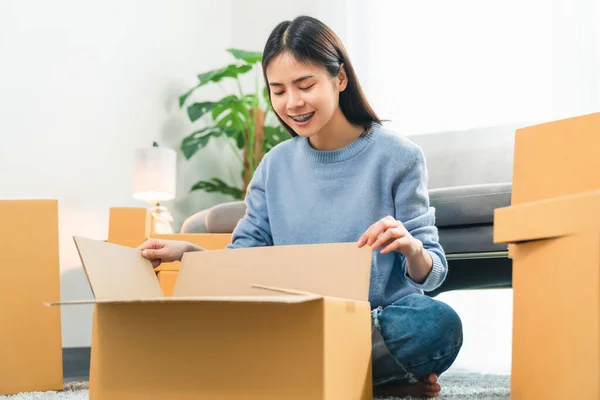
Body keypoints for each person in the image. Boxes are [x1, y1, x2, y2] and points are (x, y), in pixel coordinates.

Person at [139, 15, 463, 398]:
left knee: (436, 324)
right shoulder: (273, 166)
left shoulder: (400, 157)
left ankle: (301, 375)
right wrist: (192, 253)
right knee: (203, 329)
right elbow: (242, 261)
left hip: (369, 324)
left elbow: (434, 272)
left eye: (305, 85)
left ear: (339, 79)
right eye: (278, 91)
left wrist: (410, 247)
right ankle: (373, 379)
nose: (292, 103)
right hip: (293, 324)